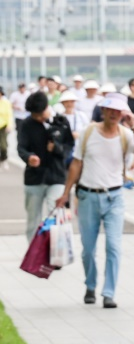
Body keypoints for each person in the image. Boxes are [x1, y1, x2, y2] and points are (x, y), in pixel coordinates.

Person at [56, 92, 134, 309]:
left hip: (114, 197)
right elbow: (76, 164)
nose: (114, 114)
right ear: (104, 111)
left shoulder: (126, 134)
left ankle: (109, 292)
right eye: (111, 110)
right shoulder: (89, 132)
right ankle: (90, 285)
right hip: (88, 196)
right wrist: (66, 193)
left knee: (114, 246)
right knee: (88, 248)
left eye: (119, 111)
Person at [18, 92, 74, 240]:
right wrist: (29, 157)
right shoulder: (26, 124)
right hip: (34, 178)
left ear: (46, 107)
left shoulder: (61, 122)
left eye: (39, 114)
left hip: (56, 176)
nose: (37, 118)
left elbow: (69, 146)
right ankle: (33, 254)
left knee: (54, 214)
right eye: (34, 115)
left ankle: (55, 251)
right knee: (33, 219)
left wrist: (56, 148)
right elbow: (21, 148)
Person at [0, 86, 11, 167]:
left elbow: (9, 115)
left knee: (3, 145)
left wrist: (9, 125)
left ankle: (4, 158)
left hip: (3, 125)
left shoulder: (6, 102)